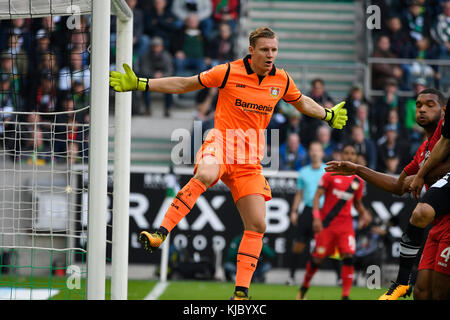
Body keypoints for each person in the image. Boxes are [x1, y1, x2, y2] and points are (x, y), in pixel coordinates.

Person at [109, 26, 348, 300]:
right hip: (221, 144)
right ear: (251, 50)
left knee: (258, 224)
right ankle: (160, 233)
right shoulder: (227, 71)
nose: (270, 55)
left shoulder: (281, 79)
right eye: (265, 50)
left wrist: (327, 114)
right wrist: (142, 83)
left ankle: (240, 293)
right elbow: (186, 84)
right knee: (206, 174)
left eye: (274, 50)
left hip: (249, 162)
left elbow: (301, 101)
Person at [325, 88, 450, 300]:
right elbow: (397, 186)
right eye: (419, 105)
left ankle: (401, 281)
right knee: (421, 292)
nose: (422, 109)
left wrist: (420, 176)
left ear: (444, 110)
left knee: (440, 292)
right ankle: (403, 283)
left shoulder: (445, 136)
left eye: (430, 105)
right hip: (436, 225)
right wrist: (358, 169)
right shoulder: (422, 151)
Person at [296, 143, 371, 300]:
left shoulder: (358, 180)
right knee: (317, 259)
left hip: (346, 226)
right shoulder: (330, 175)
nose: (349, 155)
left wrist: (364, 214)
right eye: (346, 152)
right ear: (341, 155)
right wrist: (316, 217)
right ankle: (303, 289)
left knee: (348, 257)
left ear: (356, 157)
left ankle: (345, 296)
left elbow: (357, 203)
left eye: (352, 153)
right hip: (327, 225)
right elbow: (316, 197)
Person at [287, 141, 326, 284]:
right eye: (312, 150)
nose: (315, 153)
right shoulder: (303, 172)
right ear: (309, 153)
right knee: (298, 244)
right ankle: (291, 277)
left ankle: (341, 278)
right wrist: (294, 211)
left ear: (322, 153)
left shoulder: (328, 171)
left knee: (331, 245)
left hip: (324, 212)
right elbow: (299, 193)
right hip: (308, 210)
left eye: (317, 150)